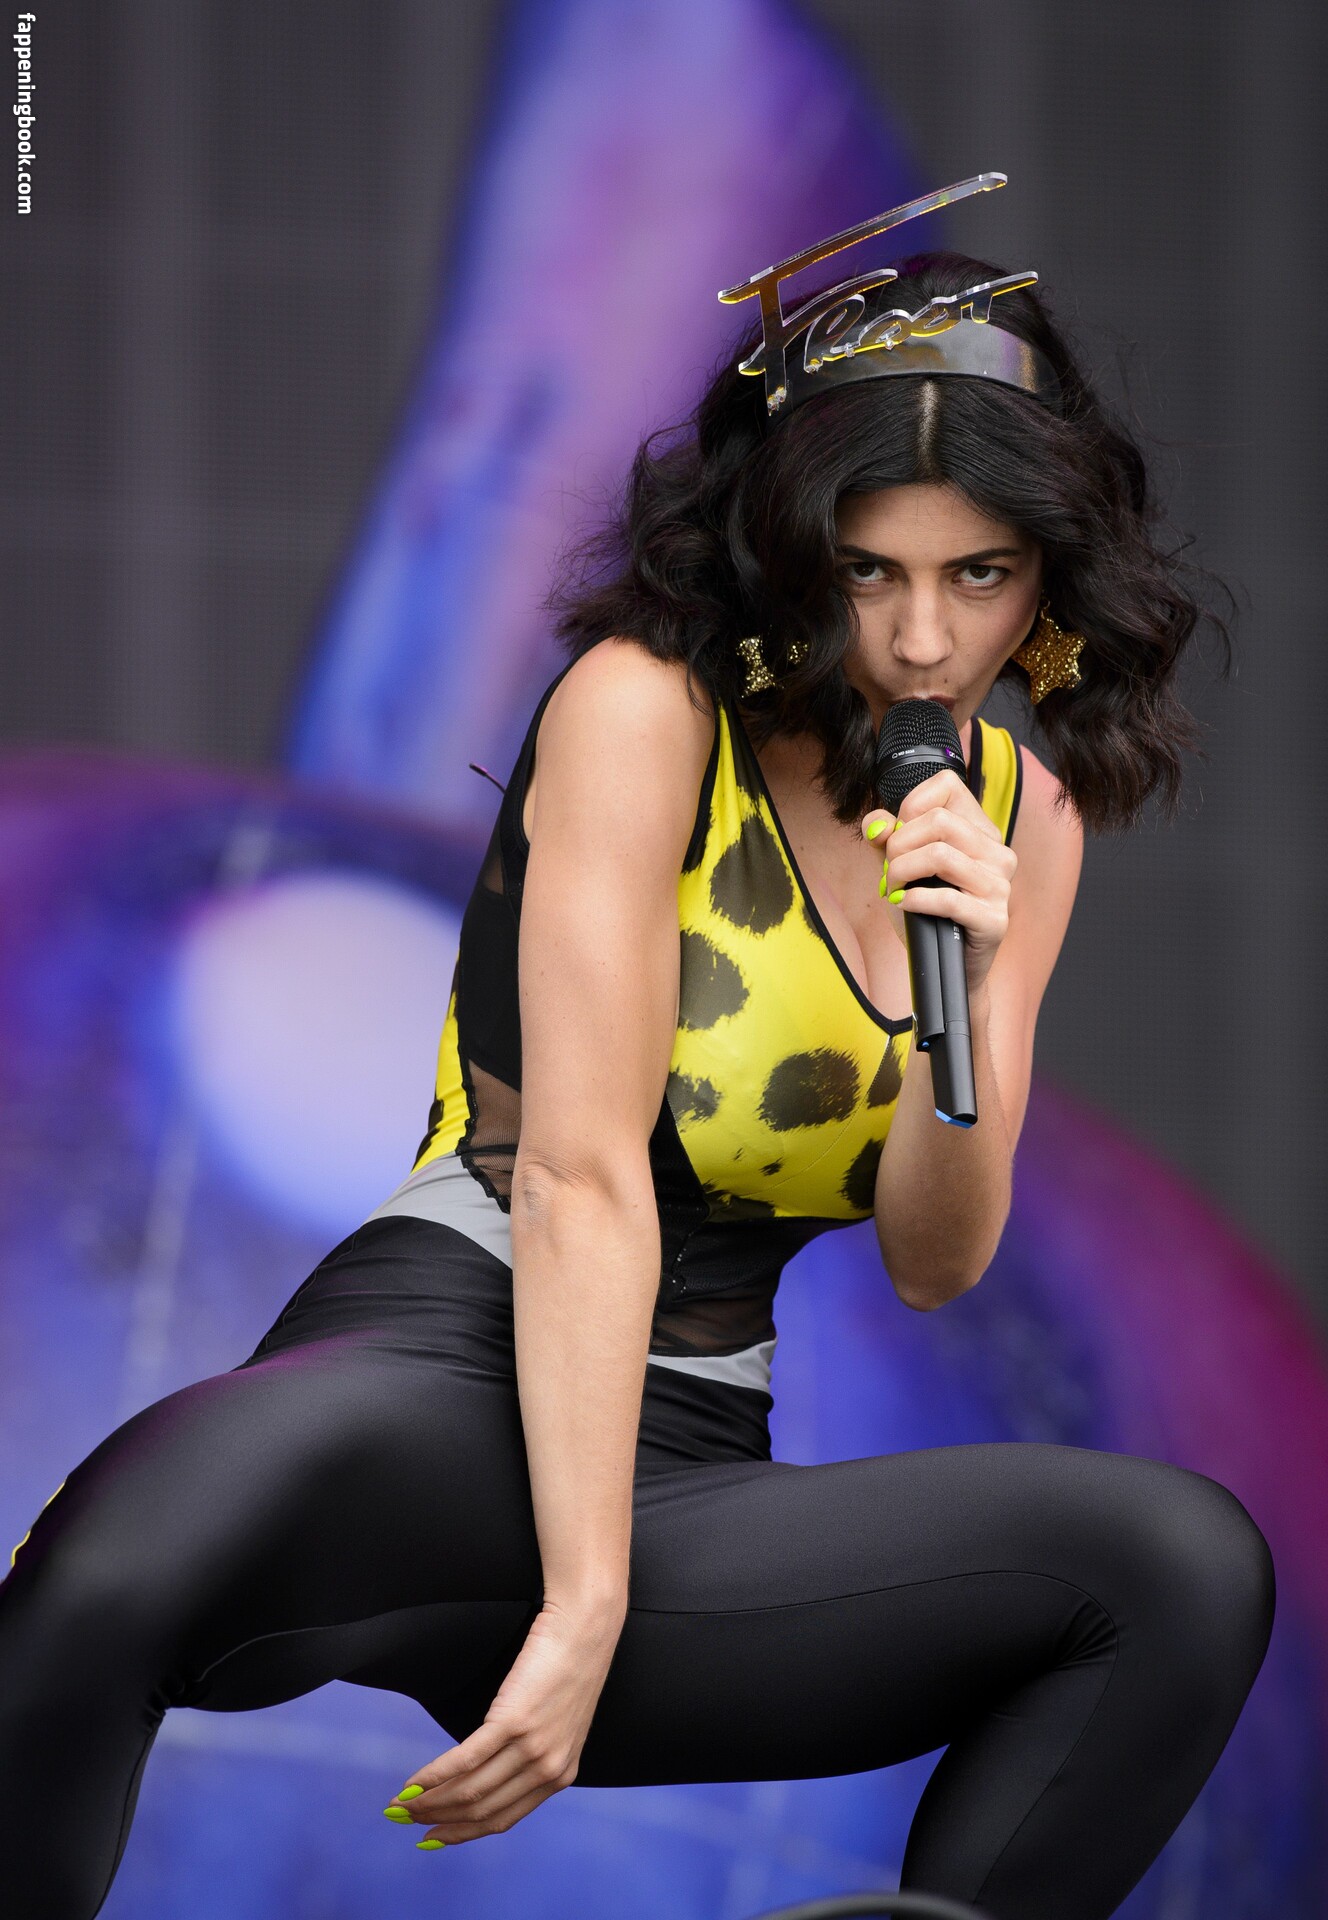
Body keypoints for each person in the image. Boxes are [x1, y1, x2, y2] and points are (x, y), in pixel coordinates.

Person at [0, 178, 1274, 1920]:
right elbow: (582, 1174)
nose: (922, 640)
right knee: (115, 1559)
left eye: (978, 577)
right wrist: (579, 1608)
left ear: (1050, 576)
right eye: (871, 571)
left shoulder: (1019, 819)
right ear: (789, 549)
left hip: (688, 1458)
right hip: (451, 1366)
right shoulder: (648, 706)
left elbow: (934, 1256)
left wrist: (964, 982)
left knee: (1178, 1568)